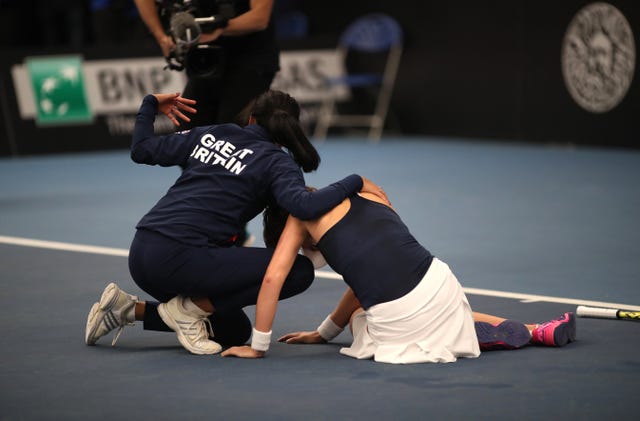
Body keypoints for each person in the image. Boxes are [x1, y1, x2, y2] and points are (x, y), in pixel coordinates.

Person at [85, 89, 387, 355]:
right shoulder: (278, 162)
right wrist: (355, 180)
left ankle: (126, 309)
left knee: (232, 329)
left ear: (252, 118)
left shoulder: (212, 133)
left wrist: (150, 104)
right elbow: (302, 205)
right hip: (179, 259)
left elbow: (141, 149)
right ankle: (185, 311)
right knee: (298, 271)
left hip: (142, 253)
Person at [221, 189, 577, 364]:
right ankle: (533, 329)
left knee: (364, 319)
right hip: (444, 284)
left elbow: (272, 281)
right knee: (437, 310)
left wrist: (258, 346)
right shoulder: (365, 192)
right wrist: (323, 333)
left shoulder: (301, 220)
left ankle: (461, 336)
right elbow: (372, 276)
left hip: (404, 316)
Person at [134, 0, 280, 128]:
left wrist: (220, 29)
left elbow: (260, 18)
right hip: (206, 59)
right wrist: (161, 37)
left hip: (251, 59)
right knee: (188, 131)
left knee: (233, 133)